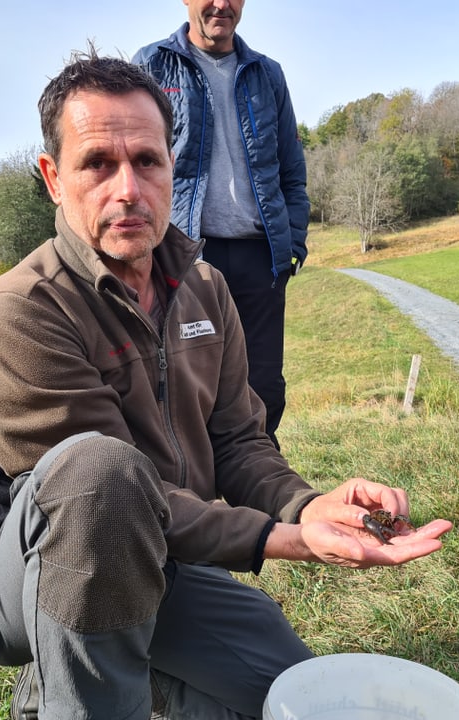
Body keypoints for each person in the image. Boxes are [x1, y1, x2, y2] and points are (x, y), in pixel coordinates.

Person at [0, 47, 452, 720]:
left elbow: (240, 440)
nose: (127, 188)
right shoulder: (20, 311)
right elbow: (102, 493)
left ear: (171, 166)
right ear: (53, 177)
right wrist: (287, 541)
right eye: (97, 163)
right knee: (99, 471)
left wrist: (307, 507)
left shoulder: (205, 288)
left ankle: (138, 675)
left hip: (170, 557)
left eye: (147, 162)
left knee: (284, 694)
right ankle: (63, 690)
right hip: (27, 579)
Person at [133, 0, 307, 449]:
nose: (221, 4)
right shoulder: (151, 65)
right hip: (186, 256)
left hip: (261, 256)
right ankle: (196, 502)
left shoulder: (268, 75)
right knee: (188, 385)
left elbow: (291, 168)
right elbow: (135, 162)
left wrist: (294, 244)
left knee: (264, 386)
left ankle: (260, 494)